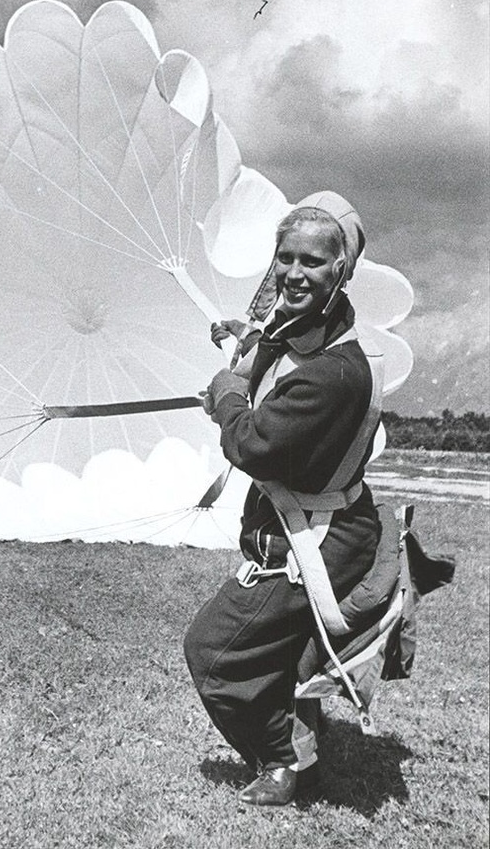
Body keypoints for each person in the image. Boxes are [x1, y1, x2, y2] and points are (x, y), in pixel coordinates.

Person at [184, 191, 383, 806]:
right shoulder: (316, 327)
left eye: (312, 262)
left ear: (340, 270)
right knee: (282, 652)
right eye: (286, 258)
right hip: (320, 524)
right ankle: (301, 743)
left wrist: (227, 394)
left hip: (315, 541)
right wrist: (247, 336)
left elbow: (251, 445)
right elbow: (278, 338)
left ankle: (284, 761)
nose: (294, 273)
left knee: (215, 653)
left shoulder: (332, 374)